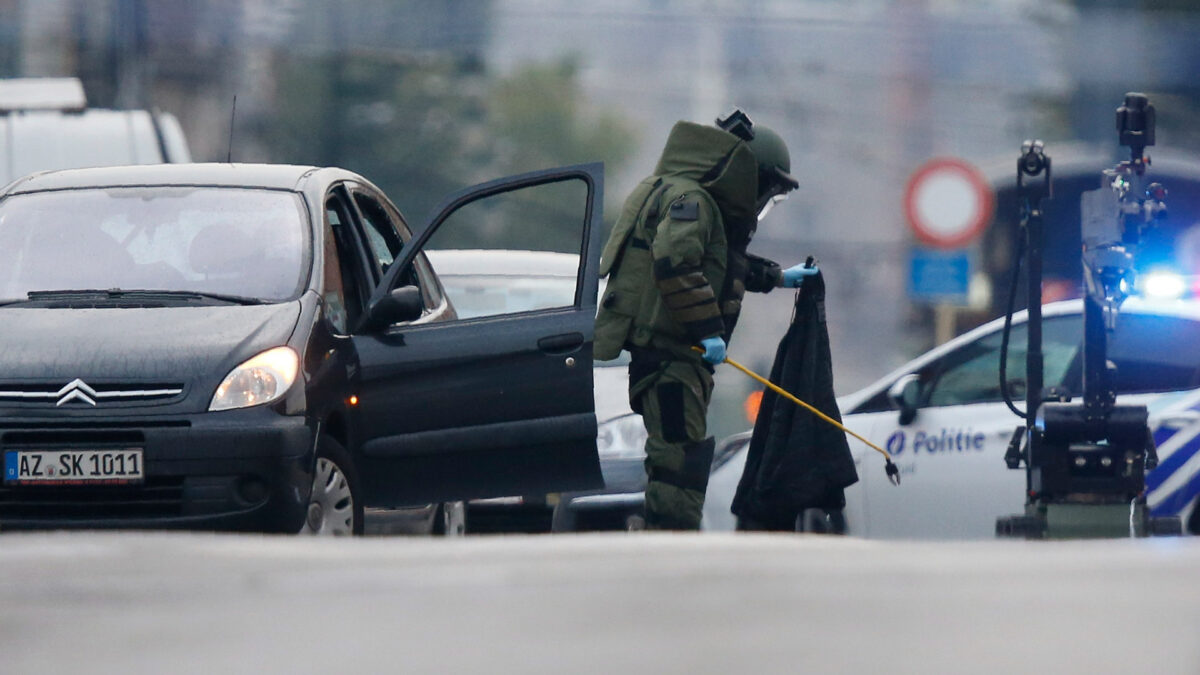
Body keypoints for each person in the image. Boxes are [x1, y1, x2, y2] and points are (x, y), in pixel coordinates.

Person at [594, 109, 817, 530]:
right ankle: (672, 544)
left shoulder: (694, 199)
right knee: (679, 457)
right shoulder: (692, 201)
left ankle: (669, 537)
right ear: (746, 173)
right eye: (766, 188)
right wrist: (708, 332)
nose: (762, 199)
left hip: (673, 355)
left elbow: (718, 262)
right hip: (671, 358)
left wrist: (777, 277)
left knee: (678, 452)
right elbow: (677, 265)